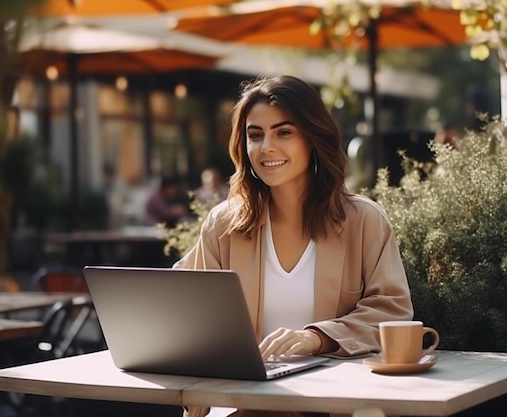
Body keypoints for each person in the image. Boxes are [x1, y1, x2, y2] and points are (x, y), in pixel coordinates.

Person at [174, 75, 414, 417]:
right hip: (242, 402)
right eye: (255, 135)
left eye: (283, 132)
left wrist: (317, 338)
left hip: (333, 403)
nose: (266, 147)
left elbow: (391, 310)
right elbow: (182, 308)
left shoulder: (363, 220)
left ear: (313, 139)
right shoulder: (224, 224)